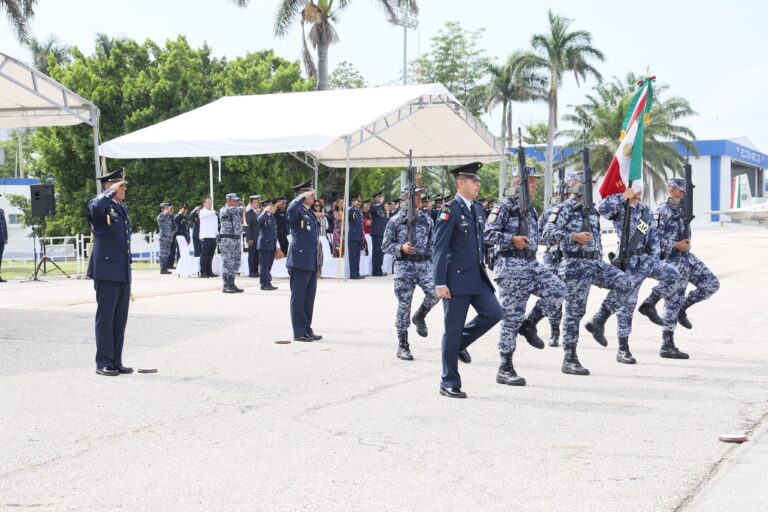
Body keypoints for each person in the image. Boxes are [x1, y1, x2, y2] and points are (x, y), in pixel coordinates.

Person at [541, 172, 632, 375]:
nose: (586, 187)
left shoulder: (591, 211)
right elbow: (545, 234)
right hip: (575, 265)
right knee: (574, 313)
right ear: (572, 186)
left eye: (588, 184)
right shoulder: (563, 208)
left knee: (625, 283)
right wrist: (572, 236)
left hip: (595, 263)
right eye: (582, 184)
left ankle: (598, 320)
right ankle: (570, 358)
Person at [484, 168, 566, 386]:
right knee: (511, 318)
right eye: (531, 182)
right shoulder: (504, 206)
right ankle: (505, 367)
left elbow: (537, 237)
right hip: (511, 266)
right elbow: (487, 234)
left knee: (558, 290)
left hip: (531, 264)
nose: (535, 186)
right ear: (519, 183)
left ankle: (529, 324)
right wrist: (512, 239)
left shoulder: (529, 209)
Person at [432, 162, 503, 399]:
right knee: (451, 331)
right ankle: (449, 381)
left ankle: (460, 343)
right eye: (474, 180)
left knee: (494, 313)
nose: (478, 184)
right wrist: (439, 283)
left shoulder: (479, 210)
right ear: (460, 182)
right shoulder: (449, 210)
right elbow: (439, 248)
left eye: (478, 180)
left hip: (477, 277)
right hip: (456, 281)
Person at [587, 186, 681, 363]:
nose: (639, 191)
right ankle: (623, 349)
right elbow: (601, 209)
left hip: (645, 259)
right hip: (628, 262)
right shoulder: (619, 207)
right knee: (627, 307)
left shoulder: (645, 210)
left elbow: (653, 236)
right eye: (635, 188)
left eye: (641, 187)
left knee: (673, 274)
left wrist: (655, 259)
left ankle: (649, 304)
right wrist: (623, 196)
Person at [637, 178, 720, 357]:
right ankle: (667, 344)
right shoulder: (662, 211)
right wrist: (675, 245)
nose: (684, 195)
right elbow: (653, 239)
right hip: (671, 259)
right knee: (672, 300)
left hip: (686, 257)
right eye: (681, 191)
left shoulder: (684, 210)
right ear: (673, 190)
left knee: (711, 283)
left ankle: (683, 307)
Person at [382, 186, 440, 361]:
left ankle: (420, 315)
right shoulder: (395, 220)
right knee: (404, 305)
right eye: (413, 195)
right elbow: (385, 246)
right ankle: (403, 345)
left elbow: (432, 245)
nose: (418, 198)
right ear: (404, 198)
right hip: (404, 266)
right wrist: (401, 247)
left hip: (423, 264)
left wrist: (433, 265)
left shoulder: (427, 220)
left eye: (419, 195)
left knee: (435, 293)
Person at [86, 168, 132, 377]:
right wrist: (109, 192)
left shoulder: (120, 208)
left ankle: (115, 360)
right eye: (120, 186)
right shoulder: (100, 204)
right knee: (105, 318)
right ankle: (103, 361)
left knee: (119, 319)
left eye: (123, 186)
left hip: (121, 271)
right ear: (109, 186)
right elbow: (96, 206)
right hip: (106, 270)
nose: (123, 189)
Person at [286, 180, 322, 342]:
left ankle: (307, 327)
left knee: (308, 297)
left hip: (310, 260)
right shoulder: (297, 210)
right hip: (299, 260)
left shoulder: (308, 212)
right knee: (299, 297)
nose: (313, 197)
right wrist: (301, 197)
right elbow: (290, 209)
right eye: (311, 194)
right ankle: (299, 331)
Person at [219, 193, 244, 293]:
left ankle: (232, 283)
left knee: (236, 262)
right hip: (227, 240)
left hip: (236, 239)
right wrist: (240, 208)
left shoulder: (236, 211)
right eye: (234, 200)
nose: (236, 202)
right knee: (227, 262)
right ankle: (226, 285)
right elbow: (231, 210)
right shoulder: (224, 209)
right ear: (228, 200)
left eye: (236, 201)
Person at [257, 198, 279, 291]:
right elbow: (259, 220)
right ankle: (264, 284)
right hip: (264, 244)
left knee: (269, 264)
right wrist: (265, 211)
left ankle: (268, 282)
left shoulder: (271, 217)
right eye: (271, 206)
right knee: (264, 265)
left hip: (271, 244)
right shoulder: (263, 215)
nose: (273, 208)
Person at [198, 197, 218, 278]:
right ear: (204, 204)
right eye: (208, 202)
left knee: (211, 255)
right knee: (204, 255)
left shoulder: (213, 213)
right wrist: (213, 212)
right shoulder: (202, 211)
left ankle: (209, 271)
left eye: (211, 202)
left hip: (213, 236)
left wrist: (217, 234)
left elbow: (215, 224)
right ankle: (203, 272)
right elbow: (204, 215)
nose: (210, 203)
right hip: (205, 236)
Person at [347, 196, 365, 279]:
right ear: (352, 202)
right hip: (352, 236)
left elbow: (361, 224)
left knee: (357, 256)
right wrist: (352, 206)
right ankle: (353, 274)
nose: (358, 203)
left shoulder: (359, 211)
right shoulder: (350, 210)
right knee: (353, 256)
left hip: (358, 235)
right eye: (356, 201)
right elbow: (348, 215)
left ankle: (357, 273)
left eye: (359, 201)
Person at [245, 195, 261, 278]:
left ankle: (256, 271)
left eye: (257, 202)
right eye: (254, 203)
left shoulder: (259, 212)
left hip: (259, 238)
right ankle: (251, 272)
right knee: (252, 255)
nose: (256, 204)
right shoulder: (248, 213)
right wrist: (249, 238)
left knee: (257, 255)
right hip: (252, 238)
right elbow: (247, 226)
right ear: (251, 204)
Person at [156, 202, 174, 274]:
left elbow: (173, 226)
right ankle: (162, 269)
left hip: (169, 238)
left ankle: (165, 268)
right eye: (166, 208)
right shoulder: (161, 216)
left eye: (168, 208)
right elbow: (160, 218)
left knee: (167, 253)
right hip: (163, 238)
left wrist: (171, 234)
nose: (168, 209)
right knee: (163, 254)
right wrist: (166, 211)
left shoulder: (169, 217)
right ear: (162, 209)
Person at [312, 200, 329, 276]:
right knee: (316, 253)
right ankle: (316, 270)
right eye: (316, 205)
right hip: (315, 237)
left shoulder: (324, 217)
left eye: (319, 205)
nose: (317, 207)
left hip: (323, 237)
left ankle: (321, 270)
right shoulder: (312, 215)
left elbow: (327, 226)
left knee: (322, 254)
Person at [0, 194, 7, 283]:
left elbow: (4, 226)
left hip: (1, 238)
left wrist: (5, 237)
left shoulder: (1, 211)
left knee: (0, 257)